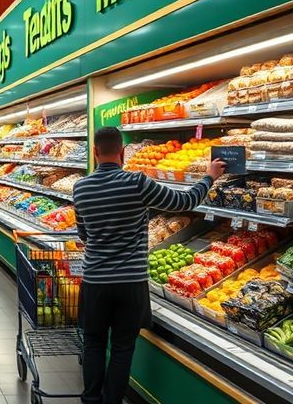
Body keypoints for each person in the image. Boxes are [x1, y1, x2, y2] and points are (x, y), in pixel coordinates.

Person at [73, 127, 225, 404]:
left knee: (93, 343)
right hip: (130, 283)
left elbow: (83, 233)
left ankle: (91, 400)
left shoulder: (80, 187)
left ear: (95, 152)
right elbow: (184, 202)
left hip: (95, 281)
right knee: (122, 348)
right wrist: (209, 176)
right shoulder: (137, 182)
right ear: (122, 152)